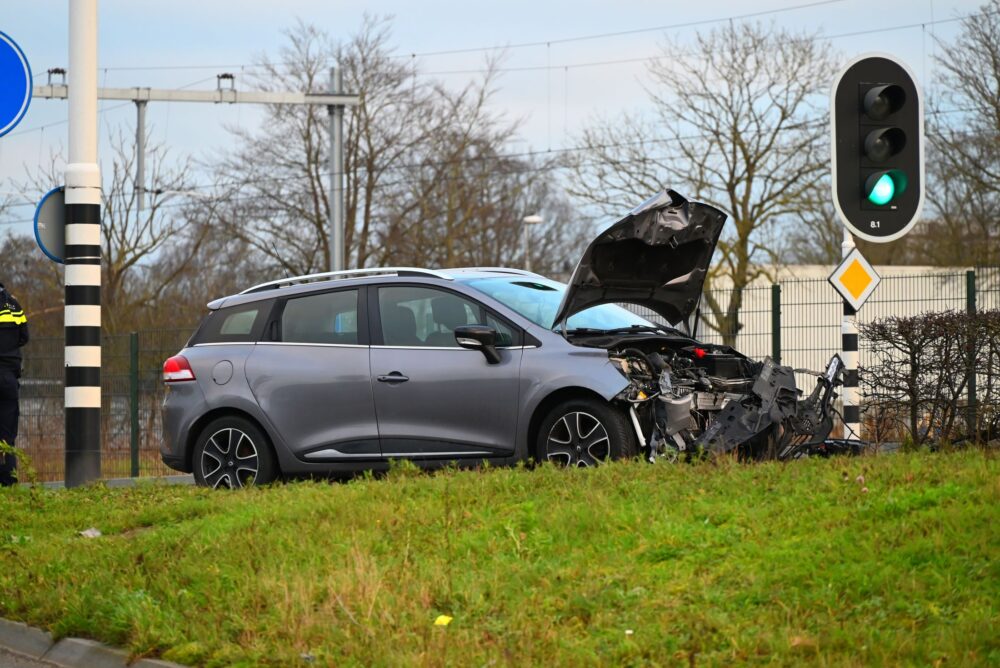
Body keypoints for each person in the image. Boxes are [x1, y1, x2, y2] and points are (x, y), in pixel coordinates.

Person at [0, 282, 28, 487]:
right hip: (9, 378)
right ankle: (9, 483)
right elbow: (24, 337)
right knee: (7, 435)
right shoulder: (14, 304)